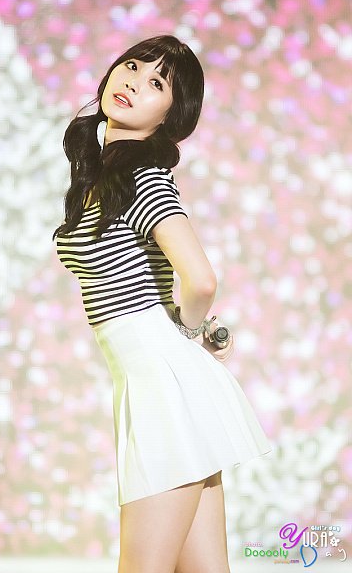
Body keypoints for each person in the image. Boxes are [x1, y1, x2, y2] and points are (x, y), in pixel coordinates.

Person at [54, 35, 272, 573]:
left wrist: (191, 332)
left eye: (155, 83)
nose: (133, 82)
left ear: (170, 117)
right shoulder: (104, 175)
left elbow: (200, 279)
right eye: (131, 66)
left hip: (163, 388)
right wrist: (194, 330)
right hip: (156, 383)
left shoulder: (141, 177)